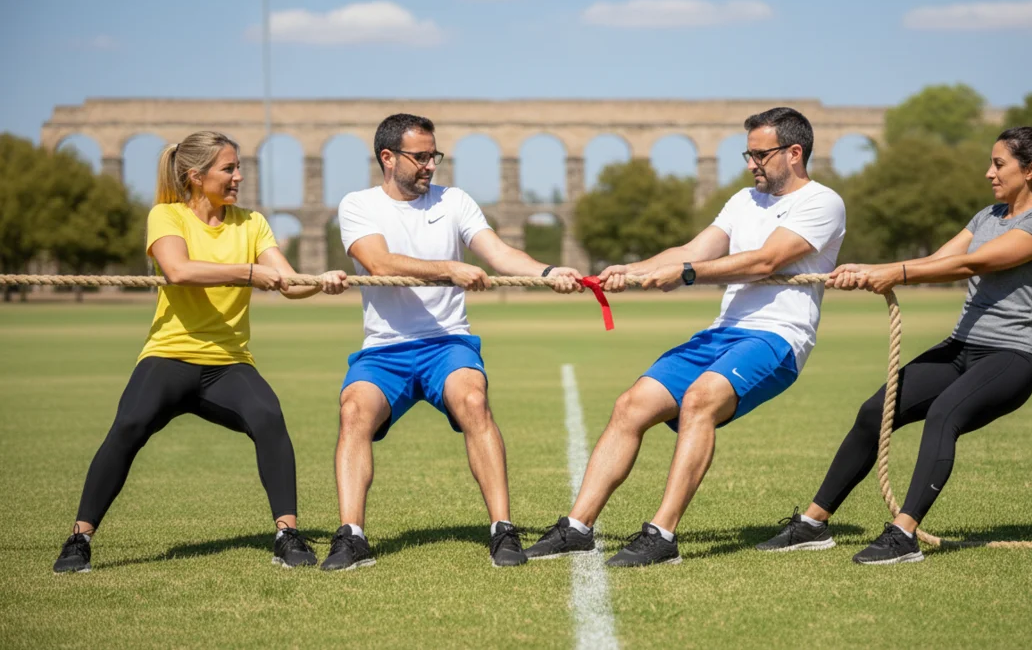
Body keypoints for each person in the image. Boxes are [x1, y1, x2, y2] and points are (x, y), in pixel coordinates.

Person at [523, 107, 846, 567]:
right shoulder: (743, 201)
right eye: (747, 153)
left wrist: (688, 273)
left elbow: (765, 261)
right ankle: (577, 528)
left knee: (700, 399)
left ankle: (663, 535)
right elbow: (694, 249)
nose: (751, 163)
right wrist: (634, 269)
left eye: (760, 154)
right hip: (723, 332)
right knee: (631, 405)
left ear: (794, 153)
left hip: (777, 338)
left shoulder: (822, 202)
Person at [758, 126, 1032, 565]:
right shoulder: (988, 217)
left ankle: (904, 536)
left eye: (999, 164)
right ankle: (812, 524)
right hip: (961, 348)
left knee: (944, 415)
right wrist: (871, 269)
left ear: (1030, 170)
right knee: (873, 413)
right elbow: (939, 258)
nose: (989, 172)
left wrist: (894, 273)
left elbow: (971, 263)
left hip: (1011, 357)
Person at [53, 131, 349, 574]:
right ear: (196, 176)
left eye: (238, 167)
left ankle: (287, 534)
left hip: (228, 363)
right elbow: (179, 270)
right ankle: (79, 539)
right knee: (129, 426)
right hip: (169, 357)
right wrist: (248, 272)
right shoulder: (166, 216)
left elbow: (287, 283)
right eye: (228, 168)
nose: (239, 176)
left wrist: (319, 281)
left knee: (269, 417)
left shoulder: (252, 223)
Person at [321, 113, 583, 571]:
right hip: (385, 349)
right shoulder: (358, 205)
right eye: (419, 157)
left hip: (448, 343)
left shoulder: (455, 201)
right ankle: (352, 537)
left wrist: (546, 271)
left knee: (473, 401)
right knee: (353, 411)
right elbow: (378, 263)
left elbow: (499, 253)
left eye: (433, 156)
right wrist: (448, 268)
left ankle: (503, 530)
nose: (429, 166)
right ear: (388, 157)